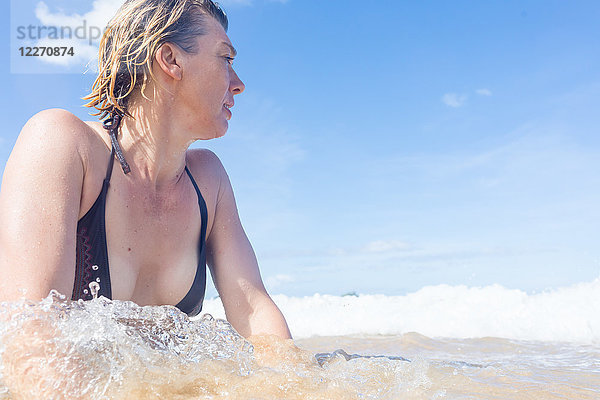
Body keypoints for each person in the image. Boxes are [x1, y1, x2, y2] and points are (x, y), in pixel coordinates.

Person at [0, 0, 291, 339]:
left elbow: (255, 311)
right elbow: (29, 334)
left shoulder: (209, 180)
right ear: (171, 60)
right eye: (226, 58)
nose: (238, 83)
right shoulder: (64, 144)